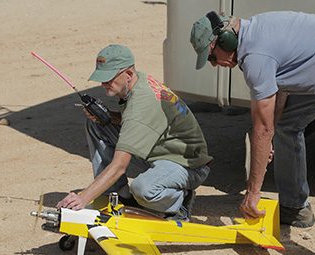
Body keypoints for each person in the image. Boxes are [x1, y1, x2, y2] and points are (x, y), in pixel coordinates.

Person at [190, 10, 315, 228]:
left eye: (211, 56)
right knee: (287, 126)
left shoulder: (256, 56)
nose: (214, 64)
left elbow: (261, 130)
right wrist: (271, 133)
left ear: (225, 40)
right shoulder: (254, 33)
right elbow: (281, 86)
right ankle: (295, 208)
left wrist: (253, 194)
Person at [57, 44, 212, 221]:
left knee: (143, 189)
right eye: (102, 78)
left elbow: (119, 166)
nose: (103, 84)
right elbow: (138, 122)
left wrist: (83, 197)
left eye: (108, 78)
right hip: (163, 151)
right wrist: (107, 116)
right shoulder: (140, 80)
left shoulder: (141, 104)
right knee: (97, 124)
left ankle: (180, 201)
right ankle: (118, 195)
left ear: (128, 74)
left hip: (188, 166)